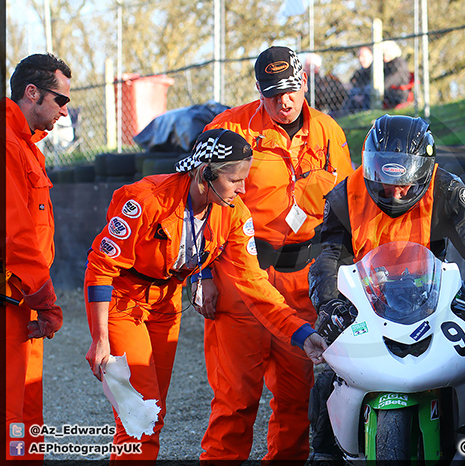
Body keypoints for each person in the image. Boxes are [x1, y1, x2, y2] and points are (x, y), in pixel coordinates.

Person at [84, 128, 327, 461]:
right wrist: (100, 339)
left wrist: (301, 333)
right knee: (138, 417)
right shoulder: (145, 200)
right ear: (204, 173)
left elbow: (254, 285)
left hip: (166, 301)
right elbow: (100, 267)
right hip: (123, 301)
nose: (243, 189)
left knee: (153, 411)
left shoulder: (234, 213)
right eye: (235, 180)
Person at [307, 114, 465, 464]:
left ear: (424, 172)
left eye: (404, 184)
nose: (395, 193)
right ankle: (323, 446)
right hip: (367, 295)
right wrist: (328, 305)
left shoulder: (447, 189)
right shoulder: (343, 195)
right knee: (329, 353)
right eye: (385, 183)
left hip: (430, 292)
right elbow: (327, 257)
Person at [199, 45, 354, 462]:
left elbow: (349, 206)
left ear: (303, 84)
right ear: (257, 90)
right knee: (234, 404)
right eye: (271, 93)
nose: (283, 102)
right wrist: (204, 276)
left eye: (290, 90)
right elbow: (201, 205)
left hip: (302, 280)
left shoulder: (329, 134)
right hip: (241, 281)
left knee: (296, 405)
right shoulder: (229, 129)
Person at [4, 52, 71, 462]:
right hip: (14, 295)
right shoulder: (8, 144)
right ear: (32, 93)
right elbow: (16, 233)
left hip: (20, 297)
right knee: (9, 409)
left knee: (26, 408)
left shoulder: (26, 146)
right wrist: (46, 300)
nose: (65, 111)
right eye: (60, 100)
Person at [340, 46, 374, 115]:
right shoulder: (359, 72)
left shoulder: (376, 70)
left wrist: (362, 97)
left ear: (371, 55)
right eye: (359, 56)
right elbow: (352, 84)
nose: (361, 59)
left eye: (363, 56)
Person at [379, 40, 411, 108]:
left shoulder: (398, 63)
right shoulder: (386, 64)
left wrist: (380, 87)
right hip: (389, 91)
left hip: (398, 93)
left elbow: (392, 79)